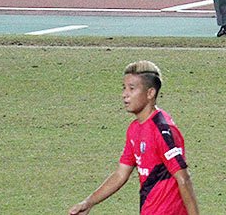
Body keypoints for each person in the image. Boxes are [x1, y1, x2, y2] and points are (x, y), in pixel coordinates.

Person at [69, 60, 200, 215]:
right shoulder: (134, 129)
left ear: (150, 93)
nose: (125, 94)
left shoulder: (162, 130)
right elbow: (120, 174)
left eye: (132, 88)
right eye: (124, 88)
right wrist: (88, 202)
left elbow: (183, 178)